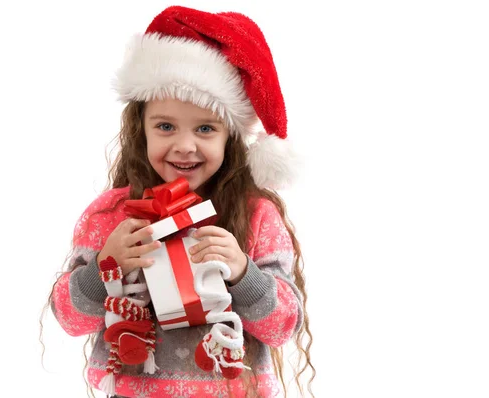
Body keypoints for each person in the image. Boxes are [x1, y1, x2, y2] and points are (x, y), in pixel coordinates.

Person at [45, 5, 315, 397]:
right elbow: (69, 320)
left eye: (205, 128)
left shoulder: (256, 215)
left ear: (231, 138)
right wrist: (105, 267)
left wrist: (243, 273)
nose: (184, 146)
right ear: (142, 129)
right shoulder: (110, 215)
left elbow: (283, 327)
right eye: (166, 126)